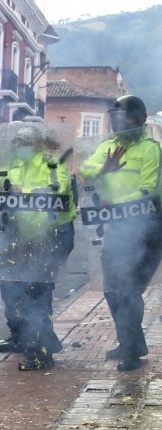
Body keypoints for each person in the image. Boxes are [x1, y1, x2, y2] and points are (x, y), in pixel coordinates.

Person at [79, 95, 162, 371]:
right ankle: (132, 342)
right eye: (114, 119)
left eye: (123, 118)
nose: (118, 124)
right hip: (116, 228)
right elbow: (84, 170)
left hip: (146, 229)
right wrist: (104, 168)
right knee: (113, 290)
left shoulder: (151, 149)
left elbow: (147, 188)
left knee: (128, 290)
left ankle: (130, 350)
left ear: (138, 120)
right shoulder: (108, 146)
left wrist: (119, 203)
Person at [0, 124, 75, 371]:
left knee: (36, 292)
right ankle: (21, 337)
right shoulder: (14, 166)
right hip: (19, 237)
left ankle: (42, 351)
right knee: (10, 289)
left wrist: (25, 192)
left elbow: (59, 187)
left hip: (49, 236)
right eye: (18, 143)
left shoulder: (51, 164)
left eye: (26, 143)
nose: (21, 148)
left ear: (38, 144)